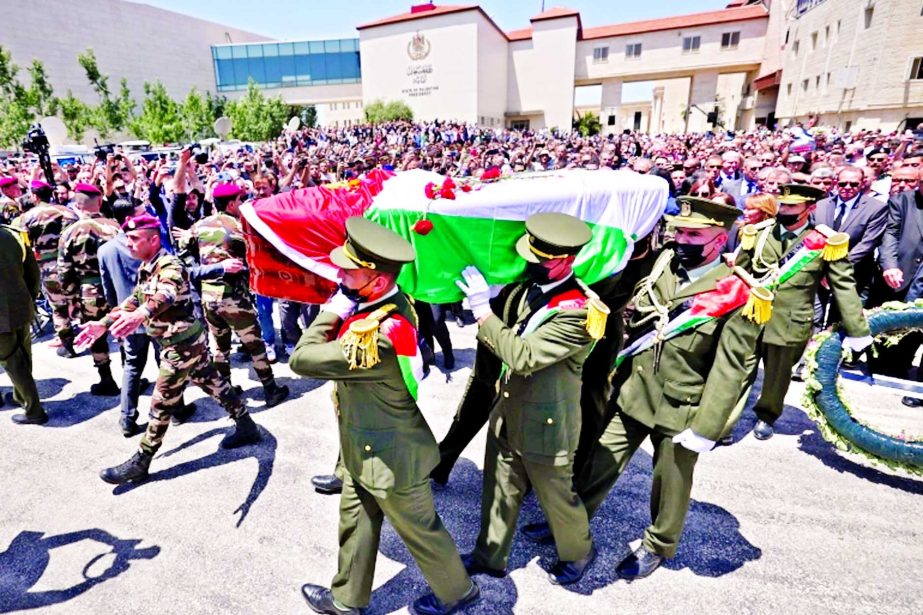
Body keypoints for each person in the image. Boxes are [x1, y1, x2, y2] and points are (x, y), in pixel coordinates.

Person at [521, 196, 761, 581]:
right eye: (678, 231)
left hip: (684, 404)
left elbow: (731, 368)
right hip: (635, 391)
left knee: (670, 481)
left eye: (692, 234)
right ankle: (569, 526)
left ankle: (658, 544)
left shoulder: (736, 292)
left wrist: (708, 427)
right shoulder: (666, 262)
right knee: (600, 461)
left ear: (718, 241)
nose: (680, 239)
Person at [290, 217, 479, 615]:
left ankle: (458, 593)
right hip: (366, 444)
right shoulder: (388, 301)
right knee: (355, 523)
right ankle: (346, 599)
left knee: (421, 532)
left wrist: (332, 308)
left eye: (349, 270)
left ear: (375, 279)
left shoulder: (379, 336)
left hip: (393, 457)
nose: (340, 273)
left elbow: (302, 358)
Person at [454, 213, 601, 585]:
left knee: (556, 497)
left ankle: (578, 551)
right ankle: (490, 555)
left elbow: (522, 356)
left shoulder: (580, 310)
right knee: (499, 487)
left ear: (566, 261)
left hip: (547, 422)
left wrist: (482, 312)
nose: (531, 264)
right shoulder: (529, 288)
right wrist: (487, 299)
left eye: (541, 260)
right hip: (510, 409)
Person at [75, 214, 263, 484]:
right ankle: (247, 426)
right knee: (217, 386)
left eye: (134, 239)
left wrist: (143, 313)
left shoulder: (169, 265)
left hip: (180, 347)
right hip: (188, 344)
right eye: (127, 238)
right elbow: (135, 298)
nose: (128, 244)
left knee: (161, 405)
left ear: (153, 240)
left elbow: (167, 292)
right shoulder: (147, 266)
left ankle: (141, 460)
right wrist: (103, 323)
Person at [736, 184, 872, 439]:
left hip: (790, 321)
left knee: (776, 377)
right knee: (737, 372)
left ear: (810, 208)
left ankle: (766, 415)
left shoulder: (826, 241)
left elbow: (842, 284)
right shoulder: (760, 233)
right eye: (782, 205)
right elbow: (738, 273)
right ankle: (724, 419)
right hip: (750, 317)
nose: (784, 210)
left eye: (791, 206)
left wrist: (856, 328)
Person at [180, 183, 289, 407]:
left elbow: (184, 253)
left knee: (220, 347)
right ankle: (270, 390)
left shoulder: (198, 226)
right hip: (235, 298)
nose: (243, 204)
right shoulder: (239, 227)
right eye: (240, 201)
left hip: (209, 297)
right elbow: (257, 257)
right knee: (254, 344)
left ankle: (227, 391)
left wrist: (203, 268)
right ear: (231, 204)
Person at [56, 183, 121, 395]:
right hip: (116, 288)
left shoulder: (70, 233)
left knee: (95, 336)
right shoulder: (115, 226)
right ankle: (132, 376)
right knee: (124, 332)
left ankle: (107, 380)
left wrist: (71, 300)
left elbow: (65, 272)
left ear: (77, 205)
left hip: (88, 291)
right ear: (100, 202)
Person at [13, 183, 79, 354]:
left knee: (58, 308)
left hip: (49, 267)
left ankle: (67, 345)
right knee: (80, 302)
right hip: (75, 264)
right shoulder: (69, 212)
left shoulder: (26, 218)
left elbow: (24, 247)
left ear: (35, 196)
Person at [812, 166, 888, 315]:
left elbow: (868, 243)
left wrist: (838, 269)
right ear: (835, 182)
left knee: (843, 319)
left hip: (854, 273)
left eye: (853, 184)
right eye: (842, 184)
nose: (847, 187)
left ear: (862, 183)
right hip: (819, 271)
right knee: (814, 316)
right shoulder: (821, 205)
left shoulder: (876, 208)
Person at [0, 223, 47, 425]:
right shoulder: (13, 234)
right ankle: (21, 396)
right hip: (21, 304)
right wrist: (31, 296)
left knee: (12, 360)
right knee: (23, 353)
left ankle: (33, 410)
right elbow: (32, 272)